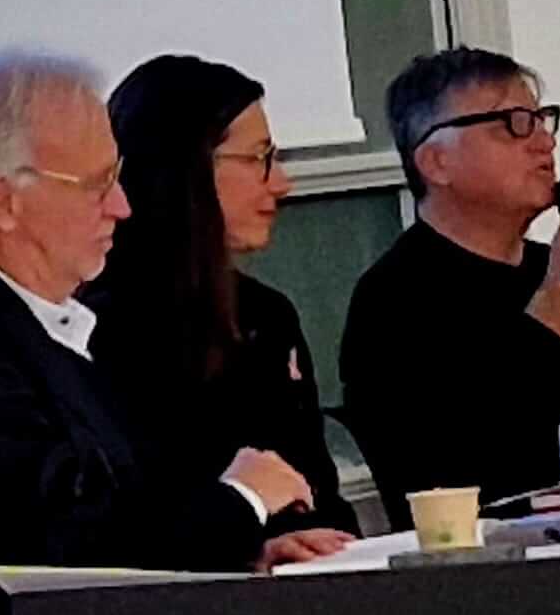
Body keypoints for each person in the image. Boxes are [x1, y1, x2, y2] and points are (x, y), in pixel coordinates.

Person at [0, 48, 327, 577]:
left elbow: (131, 512)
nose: (122, 206)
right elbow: (73, 551)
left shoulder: (44, 336)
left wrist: (244, 556)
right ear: (2, 202)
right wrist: (243, 498)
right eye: (96, 184)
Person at [340, 46, 560, 529]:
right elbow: (474, 471)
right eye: (513, 124)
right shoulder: (394, 300)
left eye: (542, 120)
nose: (544, 142)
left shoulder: (553, 270)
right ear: (436, 161)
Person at [83, 54, 358, 560]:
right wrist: (255, 551)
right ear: (184, 166)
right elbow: (132, 531)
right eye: (259, 159)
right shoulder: (97, 331)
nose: (281, 183)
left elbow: (319, 493)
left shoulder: (267, 317)